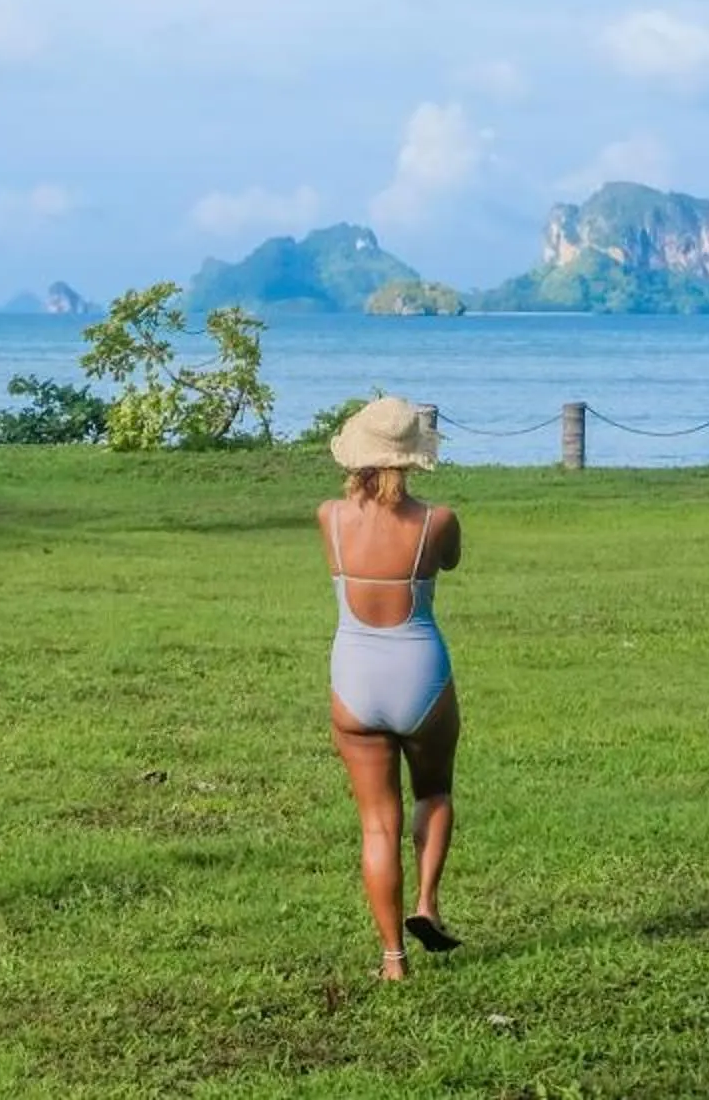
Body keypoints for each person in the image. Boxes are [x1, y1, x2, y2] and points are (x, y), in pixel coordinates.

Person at [317, 394, 463, 980]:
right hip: (420, 673)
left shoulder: (328, 517)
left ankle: (392, 960)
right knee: (435, 793)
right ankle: (426, 904)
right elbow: (450, 562)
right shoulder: (437, 521)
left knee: (377, 824)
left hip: (354, 678)